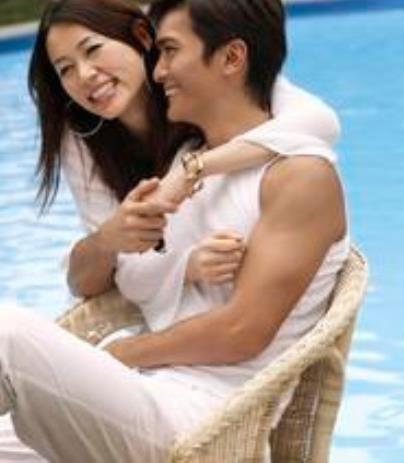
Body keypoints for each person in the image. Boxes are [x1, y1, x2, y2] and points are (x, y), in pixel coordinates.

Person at [0, 0, 346, 461]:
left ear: (231, 58)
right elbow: (130, 277)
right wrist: (181, 263)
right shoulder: (186, 156)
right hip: (151, 390)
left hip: (203, 419)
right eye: (65, 69)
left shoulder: (299, 176)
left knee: (5, 333)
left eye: (168, 51)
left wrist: (122, 353)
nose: (158, 69)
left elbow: (242, 331)